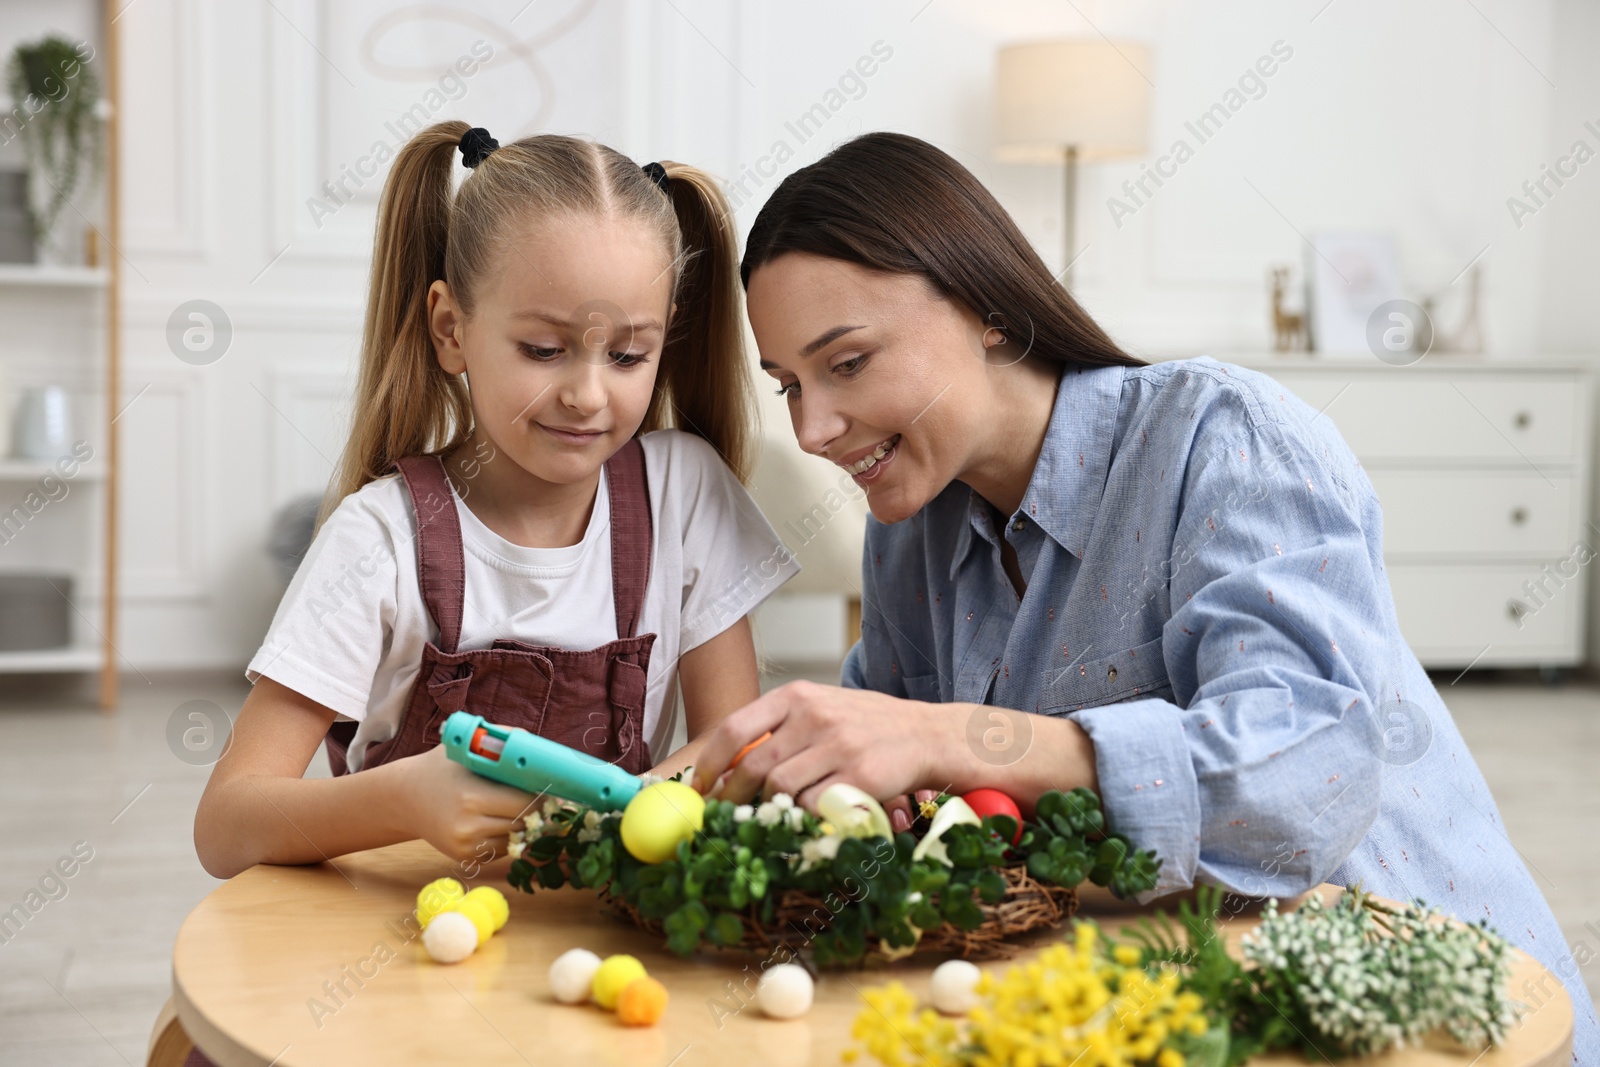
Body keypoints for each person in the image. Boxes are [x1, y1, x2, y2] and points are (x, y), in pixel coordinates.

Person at [690, 131, 1598, 1058]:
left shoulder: (1223, 435)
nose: (811, 428)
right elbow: (908, 799)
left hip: (1424, 1011)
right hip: (1176, 1005)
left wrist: (949, 737)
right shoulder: (910, 533)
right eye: (789, 386)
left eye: (846, 364)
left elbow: (1308, 779)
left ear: (987, 308)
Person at [193, 123, 798, 884]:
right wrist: (405, 801)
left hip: (602, 928)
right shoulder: (381, 537)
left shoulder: (682, 492)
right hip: (404, 935)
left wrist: (637, 805)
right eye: (544, 350)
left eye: (627, 355)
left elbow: (733, 755)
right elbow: (226, 824)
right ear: (452, 330)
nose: (585, 394)